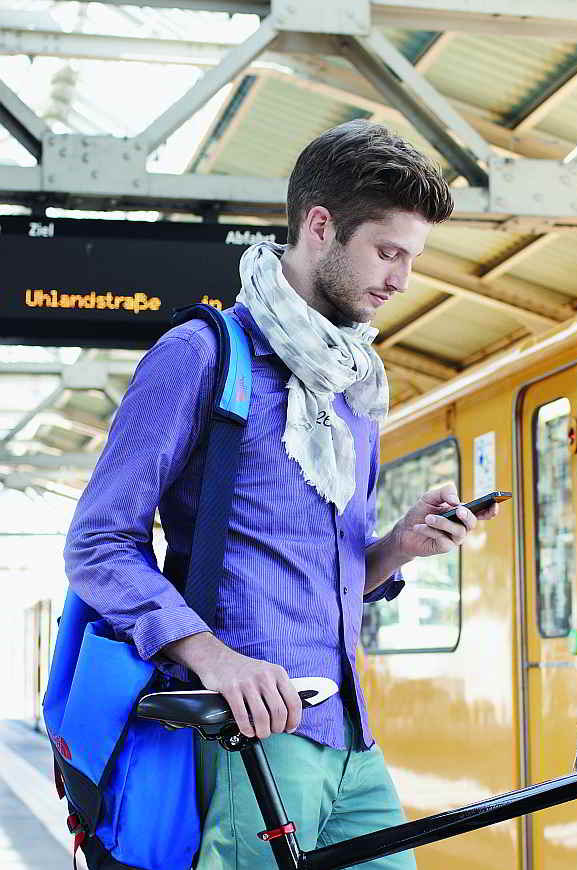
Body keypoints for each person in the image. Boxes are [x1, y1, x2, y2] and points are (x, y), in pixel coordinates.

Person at [63, 120, 498, 869]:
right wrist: (214, 658)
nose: (400, 279)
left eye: (412, 259)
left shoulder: (352, 390)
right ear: (321, 227)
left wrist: (398, 546)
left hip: (351, 737)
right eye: (386, 252)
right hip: (250, 736)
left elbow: (319, 582)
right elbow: (99, 542)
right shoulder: (202, 356)